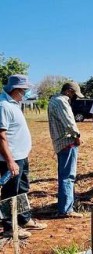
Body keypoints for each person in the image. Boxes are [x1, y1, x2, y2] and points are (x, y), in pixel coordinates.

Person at [0, 74, 47, 239]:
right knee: (10, 193)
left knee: (22, 189)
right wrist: (10, 161)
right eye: (24, 90)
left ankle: (24, 219)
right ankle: (9, 227)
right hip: (11, 159)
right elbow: (1, 136)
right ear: (15, 89)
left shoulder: (14, 103)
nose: (26, 93)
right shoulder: (3, 105)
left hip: (21, 156)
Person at [48, 82, 84, 218]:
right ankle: (66, 210)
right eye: (74, 94)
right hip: (67, 141)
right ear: (69, 91)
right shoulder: (61, 102)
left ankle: (66, 206)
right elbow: (69, 122)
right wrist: (77, 136)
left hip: (59, 142)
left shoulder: (53, 100)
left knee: (64, 174)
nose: (75, 97)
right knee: (68, 176)